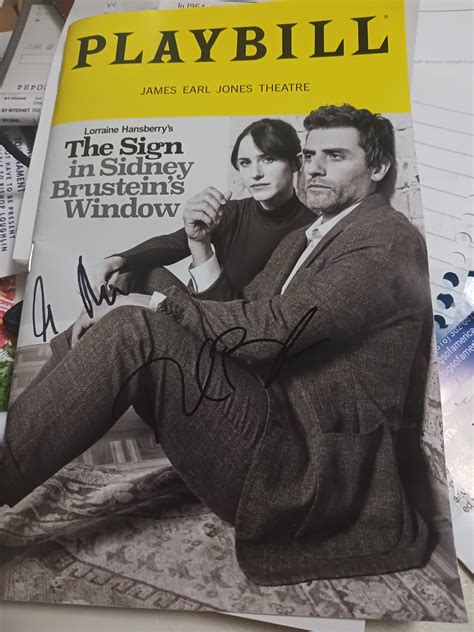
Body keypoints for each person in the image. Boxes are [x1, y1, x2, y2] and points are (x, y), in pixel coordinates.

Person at [0, 104, 433, 585]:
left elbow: (274, 330)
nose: (314, 168)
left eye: (335, 156)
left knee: (132, 328)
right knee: (133, 295)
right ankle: (15, 433)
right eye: (310, 155)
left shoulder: (384, 238)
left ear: (378, 167)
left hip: (305, 467)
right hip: (266, 411)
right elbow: (234, 313)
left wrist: (154, 306)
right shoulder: (305, 239)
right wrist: (161, 273)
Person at [95, 118, 313, 296]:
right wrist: (117, 259)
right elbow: (175, 242)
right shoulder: (232, 212)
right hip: (200, 309)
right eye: (245, 163)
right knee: (126, 273)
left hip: (238, 327)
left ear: (297, 162)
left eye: (268, 159)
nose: (255, 174)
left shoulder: (314, 230)